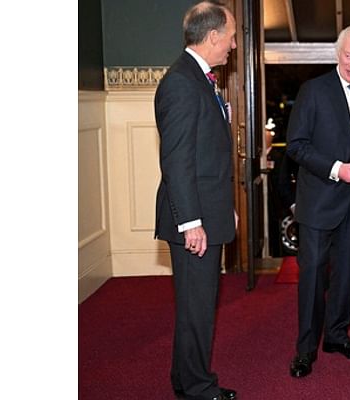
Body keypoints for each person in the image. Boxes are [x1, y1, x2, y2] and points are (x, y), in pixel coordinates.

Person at [285, 25, 350, 378]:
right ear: (337, 54)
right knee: (313, 278)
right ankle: (305, 349)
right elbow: (297, 145)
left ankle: (336, 336)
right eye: (348, 55)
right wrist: (336, 169)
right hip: (318, 202)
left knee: (347, 276)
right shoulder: (313, 91)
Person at [153, 2, 239, 399]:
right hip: (193, 221)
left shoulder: (198, 78)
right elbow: (177, 160)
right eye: (232, 36)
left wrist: (225, 209)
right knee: (197, 310)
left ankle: (184, 378)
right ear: (213, 36)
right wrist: (191, 222)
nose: (234, 46)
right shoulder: (182, 82)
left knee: (197, 307)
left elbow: (207, 155)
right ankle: (197, 389)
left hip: (207, 211)